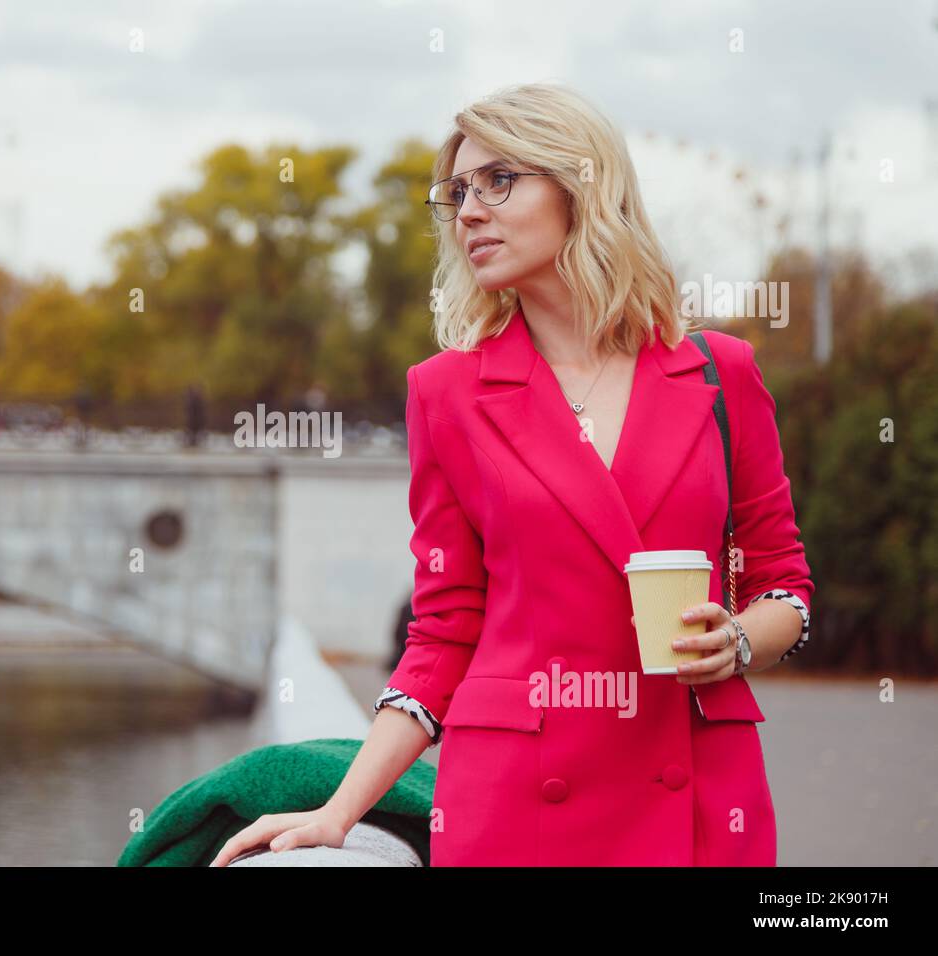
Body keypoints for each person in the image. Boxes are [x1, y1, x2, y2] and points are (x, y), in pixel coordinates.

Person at [210, 82, 813, 867]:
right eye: (457, 191)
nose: (468, 211)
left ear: (582, 187)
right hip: (518, 804)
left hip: (697, 791)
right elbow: (444, 630)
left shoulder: (720, 375)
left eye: (500, 181)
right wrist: (337, 812)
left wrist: (734, 641)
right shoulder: (446, 393)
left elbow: (784, 589)